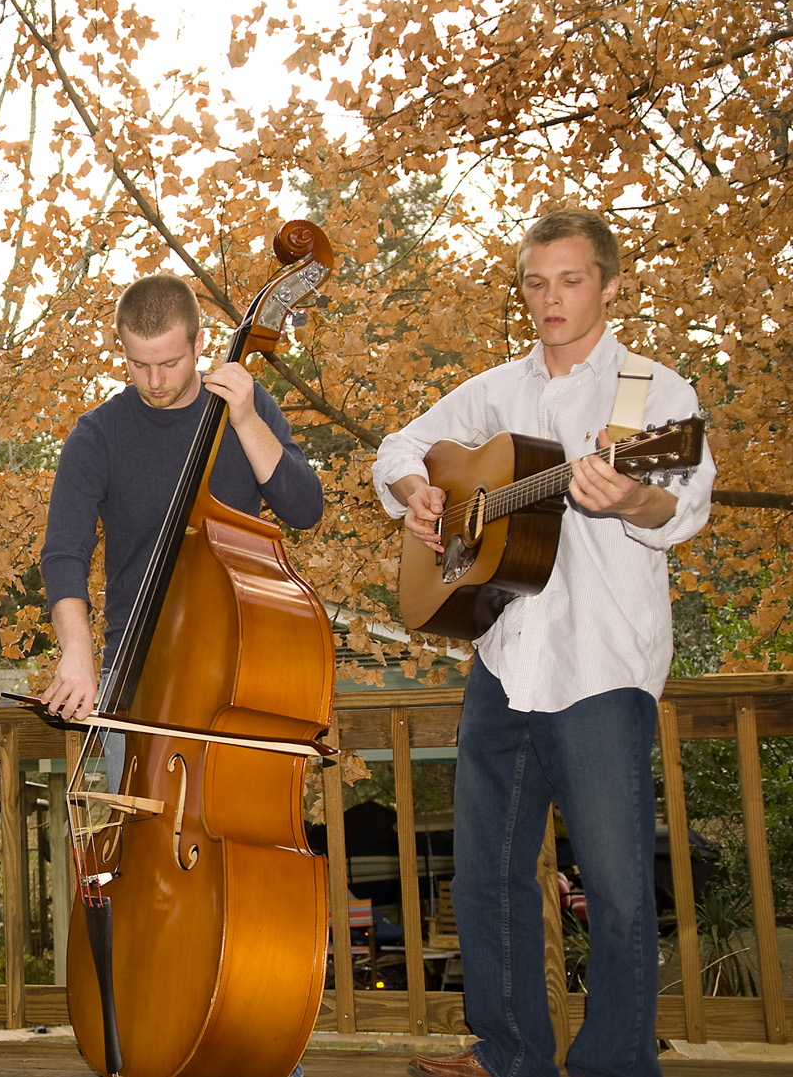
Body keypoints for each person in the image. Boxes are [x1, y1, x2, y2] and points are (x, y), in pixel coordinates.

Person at [372, 208, 715, 1077]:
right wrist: (422, 494)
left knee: (618, 891)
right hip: (505, 658)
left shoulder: (650, 395)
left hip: (600, 667)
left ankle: (613, 1064)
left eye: (569, 279)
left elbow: (679, 504)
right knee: (485, 875)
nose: (550, 298)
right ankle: (507, 1051)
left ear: (605, 283)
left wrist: (627, 498)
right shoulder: (498, 389)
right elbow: (399, 448)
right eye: (535, 281)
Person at [38, 272, 323, 1077]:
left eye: (169, 362)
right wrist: (78, 648)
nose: (155, 381)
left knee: (235, 868)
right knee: (130, 883)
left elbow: (304, 507)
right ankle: (140, 1042)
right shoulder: (99, 432)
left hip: (228, 690)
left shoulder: (244, 405)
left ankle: (250, 1030)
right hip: (135, 683)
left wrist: (246, 420)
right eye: (138, 364)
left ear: (201, 343)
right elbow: (63, 551)